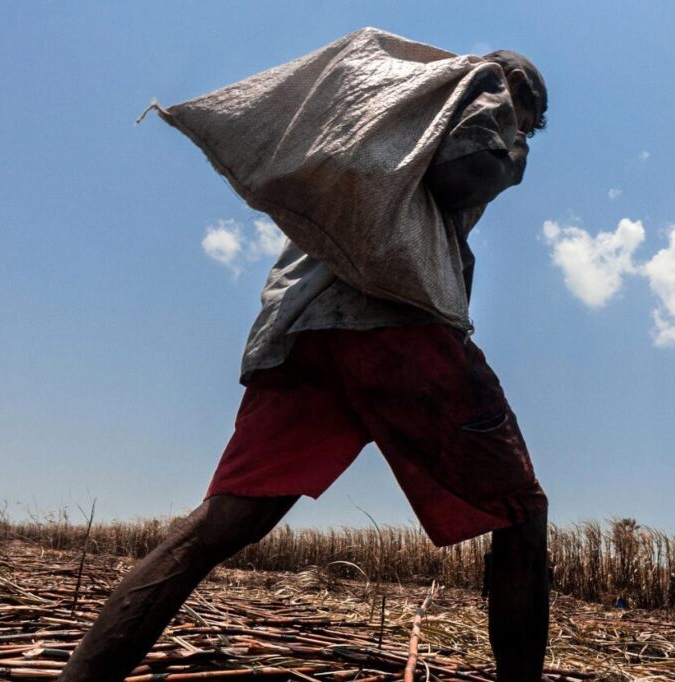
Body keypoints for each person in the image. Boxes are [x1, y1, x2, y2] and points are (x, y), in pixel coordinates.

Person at [59, 49, 550, 682]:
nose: (524, 132)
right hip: (397, 326)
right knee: (521, 511)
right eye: (528, 119)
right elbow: (461, 177)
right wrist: (512, 155)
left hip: (301, 331)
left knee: (218, 526)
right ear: (511, 86)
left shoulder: (381, 136)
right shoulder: (478, 86)